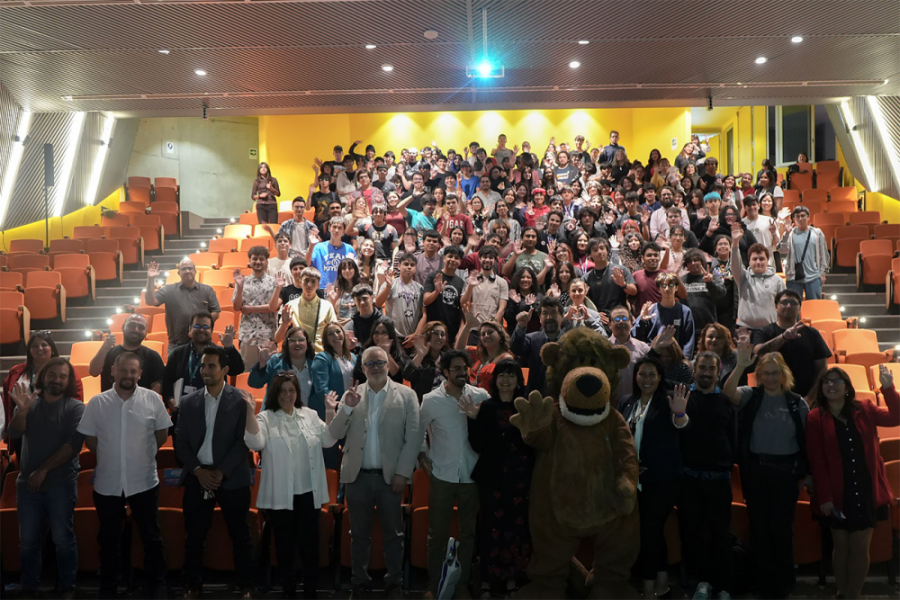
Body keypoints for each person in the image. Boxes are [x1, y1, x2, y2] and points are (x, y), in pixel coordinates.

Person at [244, 372, 357, 599]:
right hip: (280, 495)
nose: (287, 395)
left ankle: (310, 591)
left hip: (308, 493)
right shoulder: (265, 417)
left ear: (297, 393)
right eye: (282, 391)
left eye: (291, 390)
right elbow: (255, 442)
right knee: (284, 548)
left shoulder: (309, 414)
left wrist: (339, 410)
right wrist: (248, 411)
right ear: (275, 393)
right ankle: (288, 592)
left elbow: (328, 439)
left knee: (310, 547)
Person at [77, 352, 172, 599]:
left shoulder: (153, 399)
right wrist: (111, 457)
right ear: (113, 371)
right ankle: (108, 586)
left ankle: (157, 585)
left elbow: (161, 435)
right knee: (108, 540)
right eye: (123, 370)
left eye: (133, 371)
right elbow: (90, 440)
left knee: (151, 537)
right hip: (107, 483)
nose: (127, 375)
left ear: (140, 374)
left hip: (144, 481)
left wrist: (142, 454)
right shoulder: (97, 403)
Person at [328, 347, 421, 599]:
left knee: (394, 535)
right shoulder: (352, 394)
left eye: (381, 362)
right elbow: (334, 434)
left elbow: (414, 437)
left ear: (388, 365)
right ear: (363, 368)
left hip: (392, 478)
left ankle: (394, 584)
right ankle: (360, 583)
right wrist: (346, 409)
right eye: (370, 363)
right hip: (357, 477)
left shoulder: (407, 394)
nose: (376, 367)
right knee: (358, 535)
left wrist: (403, 473)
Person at [722, 346, 810, 599]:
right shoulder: (751, 395)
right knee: (759, 528)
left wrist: (808, 473)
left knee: (782, 529)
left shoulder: (797, 402)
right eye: (766, 373)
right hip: (756, 473)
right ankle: (761, 582)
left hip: (786, 474)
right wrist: (741, 365)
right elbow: (728, 392)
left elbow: (807, 441)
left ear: (783, 374)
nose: (770, 378)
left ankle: (783, 584)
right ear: (759, 375)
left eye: (775, 373)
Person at [807, 365, 899, 600]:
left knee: (860, 547)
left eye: (837, 381)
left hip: (866, 489)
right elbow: (817, 461)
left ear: (847, 387)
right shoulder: (815, 417)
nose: (831, 385)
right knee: (841, 546)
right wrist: (825, 496)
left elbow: (896, 417)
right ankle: (841, 592)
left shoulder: (865, 408)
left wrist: (888, 388)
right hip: (838, 491)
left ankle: (854, 595)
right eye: (826, 381)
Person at [174, 346, 255, 599]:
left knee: (240, 535)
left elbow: (244, 441)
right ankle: (192, 585)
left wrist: (221, 472)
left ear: (225, 370)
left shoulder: (241, 400)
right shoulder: (188, 402)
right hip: (198, 477)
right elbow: (180, 443)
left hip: (232, 477)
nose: (205, 370)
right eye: (202, 366)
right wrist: (198, 471)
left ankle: (247, 585)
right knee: (194, 536)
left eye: (211, 366)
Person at [8, 358, 84, 599]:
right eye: (52, 375)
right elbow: (14, 432)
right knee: (28, 541)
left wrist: (43, 471)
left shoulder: (76, 408)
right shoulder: (30, 403)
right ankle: (29, 585)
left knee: (63, 539)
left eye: (63, 376)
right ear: (43, 376)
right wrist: (22, 411)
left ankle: (67, 586)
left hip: (61, 485)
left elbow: (72, 446)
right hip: (27, 485)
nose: (57, 380)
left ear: (69, 381)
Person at [419, 350, 490, 598]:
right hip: (442, 475)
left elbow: (491, 431)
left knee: (468, 534)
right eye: (456, 368)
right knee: (437, 535)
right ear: (445, 372)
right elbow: (418, 431)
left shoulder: (481, 396)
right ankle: (434, 586)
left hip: (471, 476)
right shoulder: (431, 400)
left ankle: (461, 587)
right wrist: (422, 458)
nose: (461, 372)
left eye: (464, 368)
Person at [461, 359, 535, 598]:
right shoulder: (486, 407)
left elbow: (532, 444)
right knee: (489, 528)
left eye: (511, 376)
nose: (506, 380)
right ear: (495, 380)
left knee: (517, 529)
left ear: (518, 380)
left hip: (519, 478)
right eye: (502, 375)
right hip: (492, 477)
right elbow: (478, 445)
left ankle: (512, 579)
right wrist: (472, 418)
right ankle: (487, 580)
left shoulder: (525, 407)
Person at [618, 356, 686, 599]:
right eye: (642, 374)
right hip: (635, 480)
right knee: (653, 532)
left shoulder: (669, 400)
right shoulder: (626, 401)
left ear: (659, 378)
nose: (646, 379)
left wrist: (680, 414)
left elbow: (681, 425)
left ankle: (648, 588)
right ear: (635, 376)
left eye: (651, 375)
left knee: (649, 531)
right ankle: (662, 582)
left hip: (662, 480)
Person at [678, 352, 734, 600]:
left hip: (720, 480)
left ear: (718, 372)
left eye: (712, 368)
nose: (707, 373)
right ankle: (701, 582)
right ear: (694, 369)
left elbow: (733, 437)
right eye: (702, 367)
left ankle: (722, 585)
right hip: (690, 479)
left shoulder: (726, 400)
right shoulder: (684, 398)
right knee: (694, 533)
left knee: (720, 534)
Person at [3, 332, 84, 454]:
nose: (39, 348)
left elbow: (75, 397)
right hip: (21, 424)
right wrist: (7, 427)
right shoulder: (16, 371)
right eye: (34, 346)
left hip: (54, 427)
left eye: (44, 345)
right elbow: (7, 400)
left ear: (52, 348)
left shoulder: (67, 370)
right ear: (29, 350)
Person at [752, 289, 832, 403]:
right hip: (769, 398)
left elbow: (822, 368)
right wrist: (783, 337)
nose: (788, 306)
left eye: (793, 303)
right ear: (776, 306)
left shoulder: (812, 333)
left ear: (799, 308)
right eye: (784, 302)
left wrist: (810, 398)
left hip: (805, 398)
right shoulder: (763, 332)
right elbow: (760, 353)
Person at [163, 311, 244, 411]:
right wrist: (169, 398)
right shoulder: (177, 353)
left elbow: (237, 370)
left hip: (211, 409)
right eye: (197, 326)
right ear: (190, 329)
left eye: (206, 327)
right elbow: (167, 380)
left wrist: (229, 348)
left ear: (211, 331)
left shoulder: (219, 353)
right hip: (182, 410)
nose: (201, 330)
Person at [145, 259, 221, 354]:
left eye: (190, 268)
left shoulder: (207, 290)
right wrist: (150, 279)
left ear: (195, 271)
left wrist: (201, 325)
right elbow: (150, 301)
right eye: (184, 269)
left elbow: (216, 312)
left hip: (202, 342)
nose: (187, 271)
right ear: (179, 273)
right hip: (177, 343)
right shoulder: (169, 290)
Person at [89, 313, 165, 393]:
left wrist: (147, 400)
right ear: (123, 327)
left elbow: (158, 385)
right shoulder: (109, 352)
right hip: (110, 401)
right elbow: (93, 372)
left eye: (141, 327)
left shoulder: (153, 356)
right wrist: (105, 347)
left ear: (146, 332)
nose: (136, 330)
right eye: (131, 325)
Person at [731, 225, 785, 331]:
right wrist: (735, 243)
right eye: (754, 259)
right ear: (749, 261)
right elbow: (735, 264)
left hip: (769, 330)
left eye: (761, 259)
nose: (758, 262)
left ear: (767, 260)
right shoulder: (743, 277)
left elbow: (783, 306)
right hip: (745, 329)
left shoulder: (778, 281)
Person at [632, 273, 696, 359]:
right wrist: (642, 321)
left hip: (676, 358)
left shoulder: (685, 311)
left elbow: (689, 340)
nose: (667, 289)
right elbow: (635, 336)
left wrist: (685, 361)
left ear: (676, 288)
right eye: (664, 286)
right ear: (659, 289)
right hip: (653, 357)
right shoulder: (650, 310)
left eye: (671, 285)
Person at [234, 246, 278, 368]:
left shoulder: (274, 282)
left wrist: (250, 309)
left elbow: (273, 307)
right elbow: (237, 307)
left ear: (266, 261)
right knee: (248, 373)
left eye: (261, 259)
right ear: (249, 261)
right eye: (254, 259)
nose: (258, 262)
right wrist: (240, 287)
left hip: (268, 336)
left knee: (270, 373)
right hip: (248, 337)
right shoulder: (242, 281)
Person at [777, 205, 829, 300]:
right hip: (794, 277)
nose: (800, 219)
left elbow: (824, 254)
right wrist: (786, 234)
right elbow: (782, 250)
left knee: (813, 305)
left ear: (808, 217)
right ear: (794, 219)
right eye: (797, 216)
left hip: (813, 276)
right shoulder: (790, 233)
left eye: (803, 216)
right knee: (793, 305)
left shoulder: (817, 233)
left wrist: (823, 273)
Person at [284, 267, 338, 353]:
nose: (309, 285)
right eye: (306, 281)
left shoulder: (327, 306)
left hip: (321, 354)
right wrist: (284, 323)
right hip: (298, 354)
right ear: (300, 282)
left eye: (313, 281)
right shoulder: (290, 305)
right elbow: (278, 338)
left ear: (318, 285)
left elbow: (335, 332)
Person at [376, 252, 426, 344]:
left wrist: (416, 334)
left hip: (413, 336)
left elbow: (424, 314)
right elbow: (378, 303)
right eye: (406, 264)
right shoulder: (390, 284)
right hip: (393, 336)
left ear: (415, 268)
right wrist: (388, 287)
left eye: (412, 265)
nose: (409, 267)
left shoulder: (420, 288)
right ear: (399, 266)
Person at [456, 317, 515, 391]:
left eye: (490, 332)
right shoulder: (479, 353)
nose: (486, 336)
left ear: (500, 335)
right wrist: (468, 325)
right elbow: (460, 349)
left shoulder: (506, 358)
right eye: (483, 334)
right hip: (472, 394)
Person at [423, 245, 466, 345]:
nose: (453, 260)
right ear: (444, 258)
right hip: (432, 329)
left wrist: (460, 332)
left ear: (460, 262)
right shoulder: (433, 276)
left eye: (456, 258)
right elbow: (426, 301)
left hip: (452, 331)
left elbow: (462, 311)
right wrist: (436, 291)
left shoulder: (461, 283)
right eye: (450, 256)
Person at [609, 305, 651, 404]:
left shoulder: (643, 348)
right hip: (610, 403)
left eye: (624, 319)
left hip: (636, 403)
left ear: (632, 323)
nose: (621, 322)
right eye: (617, 319)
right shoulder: (603, 348)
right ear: (610, 325)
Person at [585, 238, 637, 316]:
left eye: (602, 248)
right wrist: (595, 314)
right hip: (599, 318)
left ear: (607, 250)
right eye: (595, 250)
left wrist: (623, 284)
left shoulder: (620, 270)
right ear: (590, 255)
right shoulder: (586, 277)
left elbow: (634, 291)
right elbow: (583, 302)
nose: (600, 252)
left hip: (620, 315)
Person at [680, 248, 726, 335]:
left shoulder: (712, 277)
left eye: (695, 260)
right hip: (688, 327)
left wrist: (710, 283)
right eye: (689, 261)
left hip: (709, 327)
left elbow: (722, 293)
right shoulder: (681, 280)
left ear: (702, 261)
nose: (693, 263)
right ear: (686, 265)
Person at [352, 317, 408, 385]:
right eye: (376, 333)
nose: (379, 336)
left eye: (384, 333)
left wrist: (386, 353)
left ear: (390, 335)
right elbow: (358, 375)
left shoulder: (398, 351)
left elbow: (398, 378)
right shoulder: (365, 351)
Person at [403, 321, 450, 402]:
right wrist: (420, 355)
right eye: (435, 333)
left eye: (442, 334)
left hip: (446, 403)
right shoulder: (417, 356)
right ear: (427, 335)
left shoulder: (448, 358)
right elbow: (407, 376)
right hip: (424, 403)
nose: (439, 337)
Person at [309, 217, 357, 291]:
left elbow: (354, 271)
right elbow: (307, 264)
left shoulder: (349, 249)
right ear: (329, 228)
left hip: (343, 289)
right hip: (322, 288)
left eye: (340, 228)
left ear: (344, 230)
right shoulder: (319, 247)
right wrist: (311, 246)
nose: (336, 230)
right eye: (334, 227)